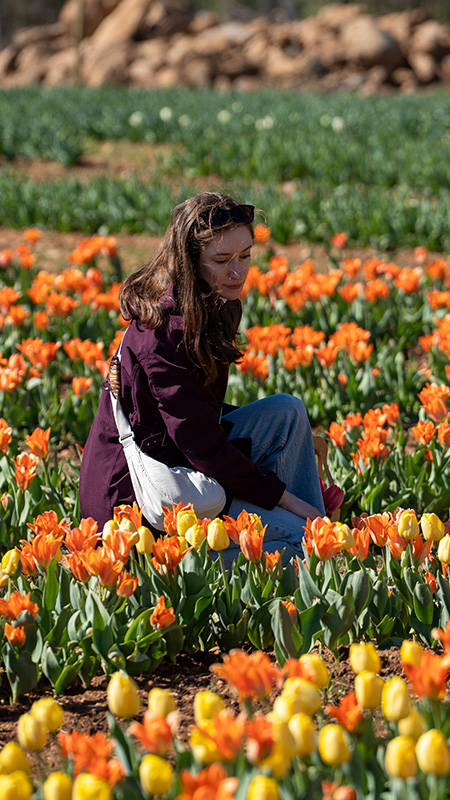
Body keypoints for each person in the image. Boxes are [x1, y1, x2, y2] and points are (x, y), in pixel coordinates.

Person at [79, 192, 325, 562]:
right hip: (141, 500)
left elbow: (195, 418)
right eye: (222, 260)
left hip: (181, 455)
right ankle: (312, 538)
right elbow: (203, 445)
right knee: (301, 543)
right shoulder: (165, 333)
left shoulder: (215, 302)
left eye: (245, 256)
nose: (237, 272)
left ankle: (320, 528)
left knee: (286, 414)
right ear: (189, 262)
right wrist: (287, 500)